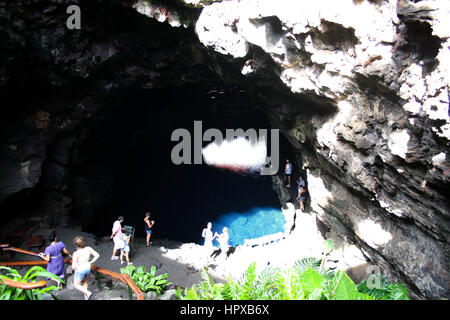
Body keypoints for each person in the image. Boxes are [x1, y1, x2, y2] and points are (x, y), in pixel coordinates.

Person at [72, 236, 100, 300]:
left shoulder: (75, 253)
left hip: (80, 269)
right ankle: (86, 296)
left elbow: (73, 266)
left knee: (76, 285)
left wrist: (75, 267)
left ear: (75, 244)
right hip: (87, 267)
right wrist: (91, 262)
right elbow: (97, 255)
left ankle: (88, 292)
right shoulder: (88, 248)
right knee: (84, 281)